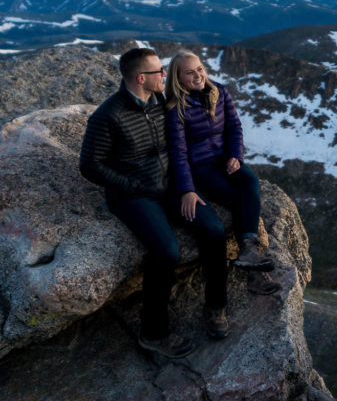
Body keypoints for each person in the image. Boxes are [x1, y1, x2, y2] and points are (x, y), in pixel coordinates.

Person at [79, 47, 228, 358]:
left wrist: (187, 186)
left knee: (214, 230)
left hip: (172, 187)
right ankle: (153, 332)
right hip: (134, 196)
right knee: (166, 250)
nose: (165, 75)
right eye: (159, 71)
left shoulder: (161, 101)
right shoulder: (108, 116)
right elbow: (90, 165)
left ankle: (216, 307)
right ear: (140, 78)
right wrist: (130, 184)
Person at [164, 49, 281, 297]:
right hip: (201, 166)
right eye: (189, 72)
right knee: (236, 199)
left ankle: (249, 247)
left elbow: (234, 127)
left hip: (224, 159)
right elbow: (178, 153)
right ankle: (255, 275)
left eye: (200, 69)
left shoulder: (219, 92)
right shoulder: (176, 108)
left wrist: (235, 155)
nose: (197, 75)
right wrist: (187, 188)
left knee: (250, 182)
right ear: (178, 78)